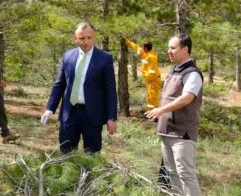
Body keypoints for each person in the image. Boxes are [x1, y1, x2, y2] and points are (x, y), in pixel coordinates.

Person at [41, 22, 118, 153]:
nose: (86, 42)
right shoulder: (68, 56)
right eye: (82, 38)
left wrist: (111, 117)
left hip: (92, 115)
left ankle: (88, 174)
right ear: (75, 38)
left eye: (89, 38)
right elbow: (59, 84)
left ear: (94, 37)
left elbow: (110, 89)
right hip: (69, 113)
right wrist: (50, 108)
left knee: (91, 155)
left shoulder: (104, 58)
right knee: (66, 153)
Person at [144, 34, 203, 196]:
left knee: (185, 173)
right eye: (168, 47)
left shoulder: (192, 74)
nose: (169, 51)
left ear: (185, 50)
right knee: (171, 173)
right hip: (166, 131)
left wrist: (161, 110)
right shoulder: (174, 71)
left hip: (182, 133)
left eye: (173, 48)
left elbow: (187, 98)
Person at [124, 37, 162, 109]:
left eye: (143, 47)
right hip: (150, 80)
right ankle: (151, 113)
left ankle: (156, 115)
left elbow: (152, 72)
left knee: (153, 98)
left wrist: (146, 78)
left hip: (154, 80)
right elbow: (135, 47)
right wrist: (126, 41)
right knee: (149, 98)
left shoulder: (152, 57)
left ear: (146, 48)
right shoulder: (145, 53)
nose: (142, 48)